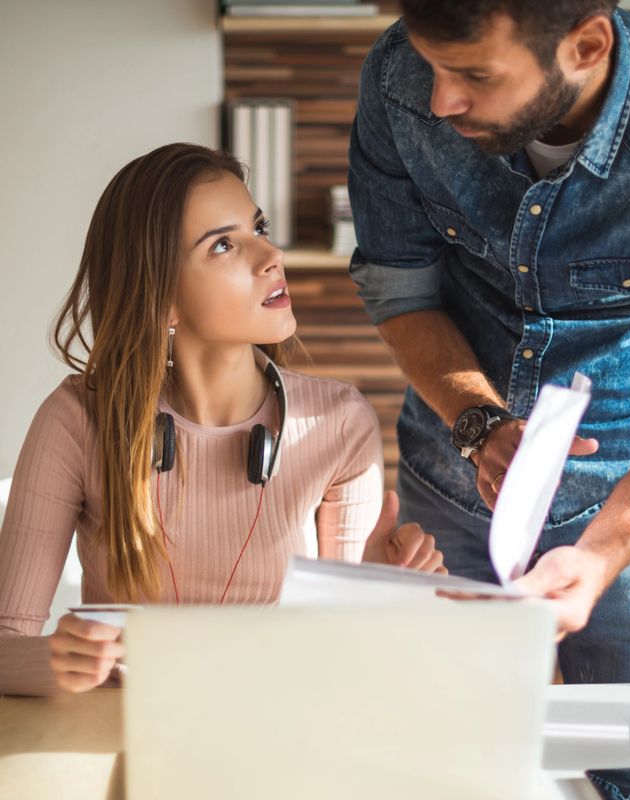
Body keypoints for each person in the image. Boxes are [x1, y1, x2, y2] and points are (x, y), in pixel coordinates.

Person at [348, 0, 630, 683]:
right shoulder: (398, 75)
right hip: (449, 474)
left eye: (475, 74)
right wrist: (480, 421)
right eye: (432, 66)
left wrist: (600, 555)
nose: (439, 100)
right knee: (437, 757)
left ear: (586, 45)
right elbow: (401, 291)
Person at [0, 143, 445, 697]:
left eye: (259, 228)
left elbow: (347, 667)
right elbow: (5, 644)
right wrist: (59, 663)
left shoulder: (339, 422)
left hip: (276, 739)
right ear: (162, 298)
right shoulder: (76, 420)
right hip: (130, 747)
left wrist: (385, 594)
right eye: (224, 244)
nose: (269, 256)